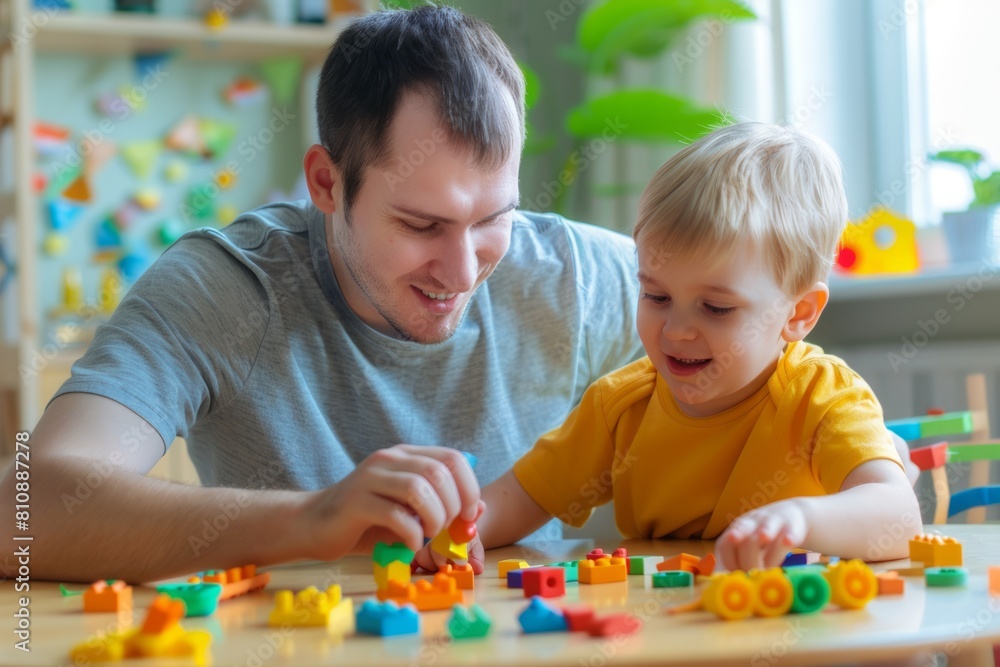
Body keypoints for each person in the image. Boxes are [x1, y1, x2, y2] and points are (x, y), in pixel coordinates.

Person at [0, 7, 645, 583]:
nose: (460, 270)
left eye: (492, 219)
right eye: (421, 225)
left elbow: (746, 337)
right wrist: (313, 519)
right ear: (326, 183)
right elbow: (22, 512)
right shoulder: (228, 288)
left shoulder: (571, 274)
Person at [414, 123, 922, 573]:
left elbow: (898, 513)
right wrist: (464, 532)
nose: (676, 330)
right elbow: (524, 496)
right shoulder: (622, 406)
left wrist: (798, 518)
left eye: (716, 309)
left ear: (798, 314)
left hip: (804, 630)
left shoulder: (822, 397)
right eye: (656, 296)